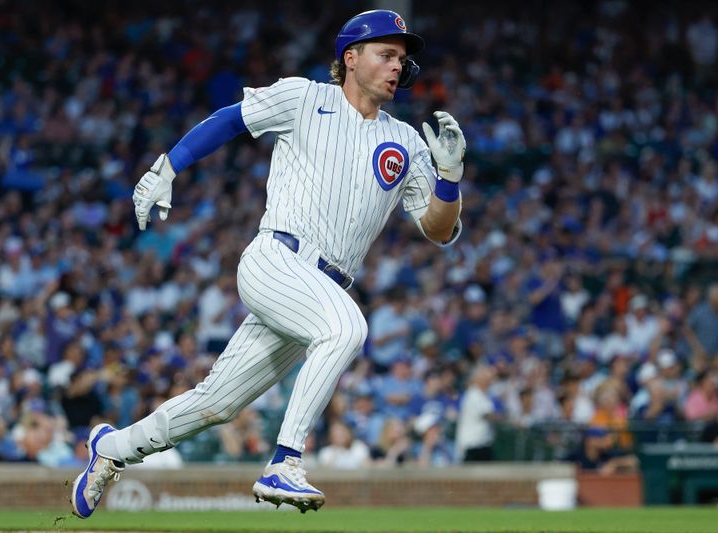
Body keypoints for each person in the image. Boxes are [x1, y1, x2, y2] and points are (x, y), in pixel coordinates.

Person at [71, 9, 466, 518]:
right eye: (386, 54)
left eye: (402, 59)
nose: (398, 66)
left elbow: (438, 230)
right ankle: (285, 460)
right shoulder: (303, 96)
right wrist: (167, 166)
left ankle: (113, 449)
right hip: (276, 258)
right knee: (347, 327)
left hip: (317, 291)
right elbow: (230, 119)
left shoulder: (407, 141)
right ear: (351, 57)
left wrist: (450, 176)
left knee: (216, 403)